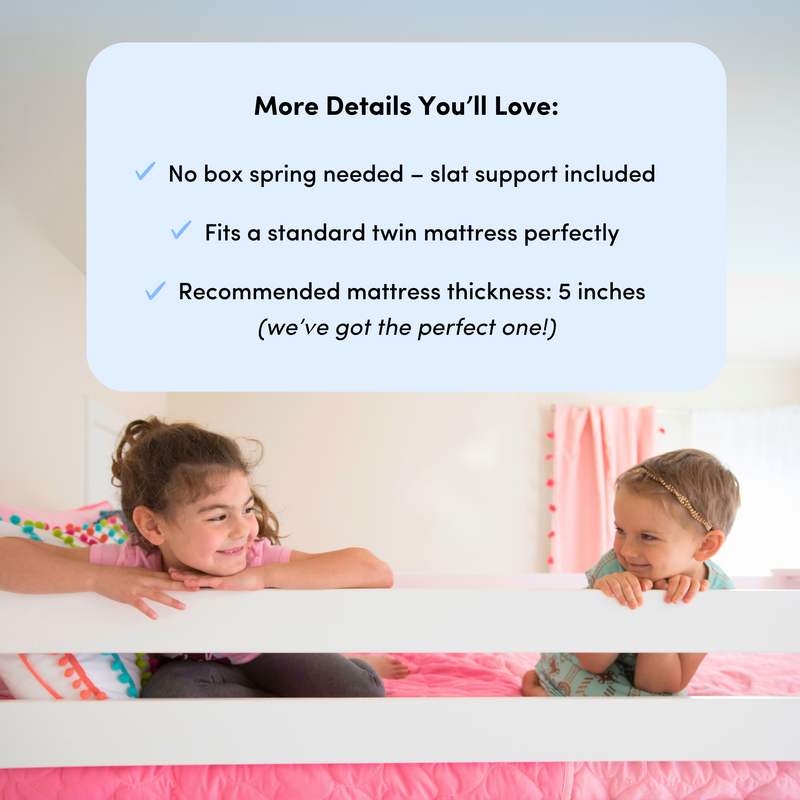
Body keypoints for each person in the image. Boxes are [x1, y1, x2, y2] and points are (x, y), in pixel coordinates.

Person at [0, 417, 408, 698]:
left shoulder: (255, 557)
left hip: (265, 648)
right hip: (196, 668)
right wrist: (99, 580)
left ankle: (354, 661)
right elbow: (7, 555)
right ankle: (275, 698)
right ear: (153, 526)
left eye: (246, 509)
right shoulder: (130, 565)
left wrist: (263, 577)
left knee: (361, 691)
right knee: (169, 697)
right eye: (218, 516)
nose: (243, 529)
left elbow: (374, 570)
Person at [522, 449, 740, 698]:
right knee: (588, 704)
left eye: (647, 536)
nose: (626, 550)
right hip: (581, 663)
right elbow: (593, 663)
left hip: (647, 677)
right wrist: (609, 600)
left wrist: (662, 611)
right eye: (621, 530)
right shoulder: (617, 566)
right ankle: (537, 689)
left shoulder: (716, 595)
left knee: (666, 708)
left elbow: (659, 685)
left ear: (705, 545)